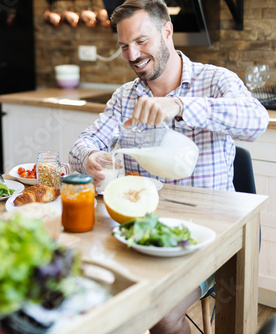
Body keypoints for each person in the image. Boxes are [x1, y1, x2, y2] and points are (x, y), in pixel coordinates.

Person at [69, 0, 269, 333]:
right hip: (150, 233)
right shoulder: (124, 99)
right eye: (123, 46)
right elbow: (81, 144)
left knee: (161, 314)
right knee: (91, 287)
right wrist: (90, 157)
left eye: (141, 41)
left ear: (167, 31)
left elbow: (257, 122)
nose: (132, 55)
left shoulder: (216, 81)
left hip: (214, 236)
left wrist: (178, 105)